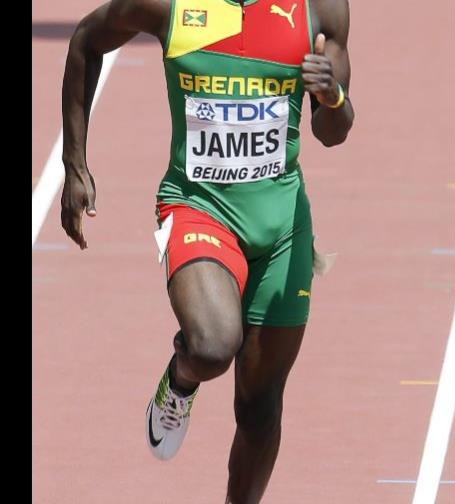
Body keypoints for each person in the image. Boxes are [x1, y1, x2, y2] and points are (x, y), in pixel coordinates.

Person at [59, 0, 354, 501]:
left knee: (260, 409)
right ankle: (180, 379)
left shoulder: (319, 7)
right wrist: (75, 165)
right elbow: (86, 40)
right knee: (213, 344)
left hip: (281, 227)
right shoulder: (169, 4)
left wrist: (332, 95)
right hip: (199, 210)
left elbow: (335, 131)